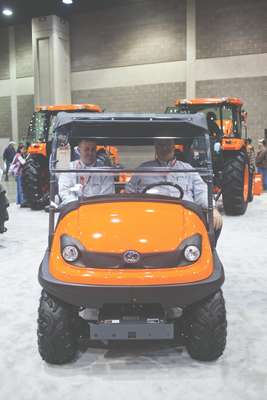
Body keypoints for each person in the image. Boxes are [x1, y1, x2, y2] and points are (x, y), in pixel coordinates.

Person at [125, 138, 223, 242]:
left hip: (184, 214)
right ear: (155, 147)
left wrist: (212, 209)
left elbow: (201, 191)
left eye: (167, 144)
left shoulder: (187, 169)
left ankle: (206, 251)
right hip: (149, 214)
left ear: (173, 146)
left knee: (215, 221)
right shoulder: (143, 169)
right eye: (160, 145)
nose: (164, 148)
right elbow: (129, 192)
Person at [58, 139, 115, 204]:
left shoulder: (105, 172)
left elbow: (107, 196)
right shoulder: (68, 168)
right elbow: (64, 191)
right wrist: (78, 205)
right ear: (79, 151)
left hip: (97, 209)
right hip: (74, 209)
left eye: (93, 150)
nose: (90, 153)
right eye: (86, 149)